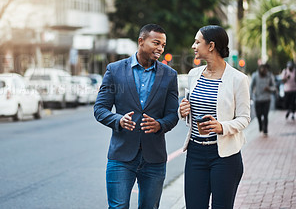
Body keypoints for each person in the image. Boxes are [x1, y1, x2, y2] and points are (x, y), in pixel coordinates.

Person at [94, 23, 179, 209]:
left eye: (163, 45)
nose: (160, 49)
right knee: (118, 207)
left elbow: (173, 115)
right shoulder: (115, 70)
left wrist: (159, 125)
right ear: (141, 41)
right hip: (121, 156)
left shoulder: (170, 75)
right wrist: (119, 120)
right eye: (156, 43)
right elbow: (100, 109)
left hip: (154, 158)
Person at [179, 25, 250, 209]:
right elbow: (191, 112)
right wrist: (184, 111)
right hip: (195, 152)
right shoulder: (194, 74)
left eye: (197, 42)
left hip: (224, 156)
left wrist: (222, 127)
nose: (193, 46)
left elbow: (244, 118)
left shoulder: (237, 79)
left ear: (211, 46)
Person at [250, 64, 276, 136]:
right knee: (258, 115)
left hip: (267, 99)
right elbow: (251, 86)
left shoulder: (269, 76)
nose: (264, 72)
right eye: (263, 70)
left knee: (265, 115)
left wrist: (269, 89)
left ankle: (265, 130)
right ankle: (261, 125)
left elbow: (274, 87)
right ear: (259, 70)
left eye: (265, 71)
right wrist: (251, 95)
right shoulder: (255, 75)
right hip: (257, 99)